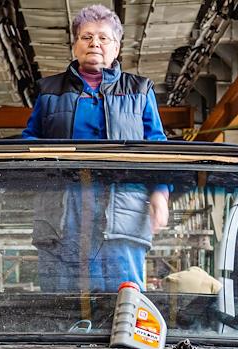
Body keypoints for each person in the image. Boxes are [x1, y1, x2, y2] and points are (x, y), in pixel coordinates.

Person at [22, 4, 169, 292]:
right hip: (62, 213)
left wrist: (160, 194)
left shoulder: (139, 91)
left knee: (123, 299)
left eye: (104, 37)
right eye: (86, 37)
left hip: (121, 212)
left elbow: (157, 148)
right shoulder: (50, 91)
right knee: (58, 303)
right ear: (75, 46)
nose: (95, 44)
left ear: (116, 48)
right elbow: (30, 141)